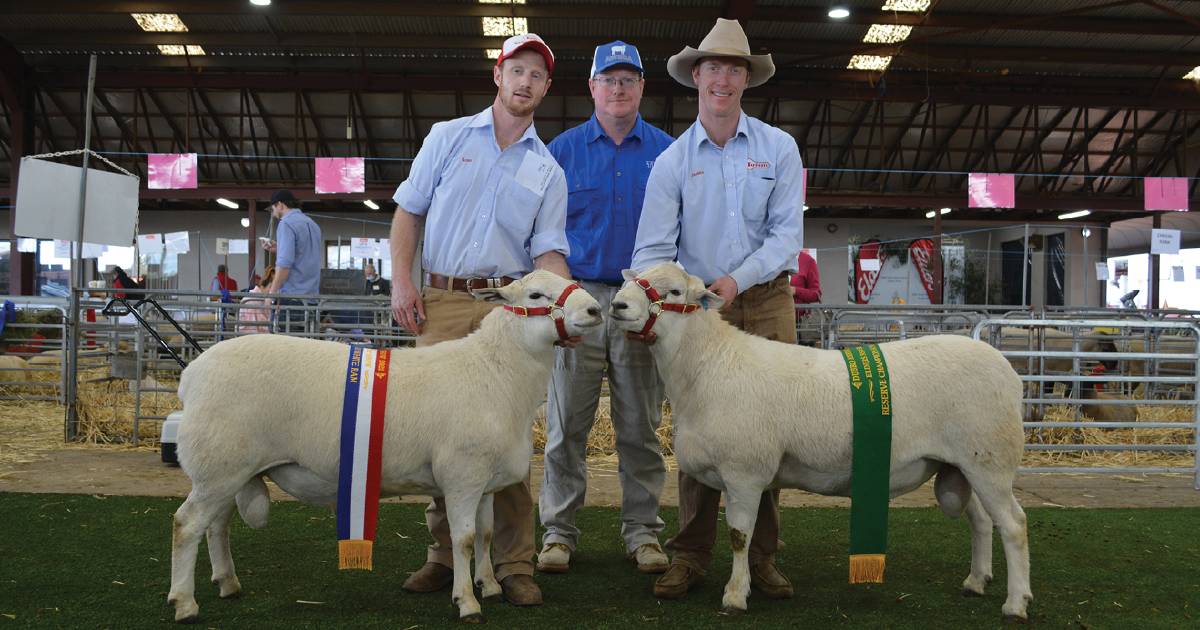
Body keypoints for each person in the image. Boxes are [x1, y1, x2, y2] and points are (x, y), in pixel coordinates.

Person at [388, 32, 571, 607]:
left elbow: (546, 254)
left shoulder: (547, 169)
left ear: (545, 87)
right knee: (439, 431)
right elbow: (408, 212)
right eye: (516, 69)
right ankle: (446, 555)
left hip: (509, 314)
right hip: (442, 299)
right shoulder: (447, 138)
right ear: (498, 75)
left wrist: (567, 302)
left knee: (508, 435)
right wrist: (402, 280)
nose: (525, 82)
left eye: (536, 75)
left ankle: (514, 562)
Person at [630, 18, 805, 601]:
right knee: (699, 430)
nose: (723, 79)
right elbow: (653, 248)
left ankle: (762, 555)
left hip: (767, 299)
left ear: (746, 80)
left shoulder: (779, 148)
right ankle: (691, 554)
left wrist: (736, 279)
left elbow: (786, 238)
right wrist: (678, 294)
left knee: (771, 428)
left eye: (735, 69)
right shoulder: (674, 161)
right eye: (713, 68)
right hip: (695, 313)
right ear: (696, 77)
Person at [536, 40, 675, 576]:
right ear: (591, 87)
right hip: (578, 296)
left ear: (642, 88)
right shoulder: (560, 152)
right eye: (608, 80)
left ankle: (643, 533)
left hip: (641, 298)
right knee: (565, 424)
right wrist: (560, 299)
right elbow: (542, 230)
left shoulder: (668, 152)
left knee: (639, 426)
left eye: (629, 80)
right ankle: (558, 533)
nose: (618, 89)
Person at [262, 189, 322, 333]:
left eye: (273, 208)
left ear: (280, 205)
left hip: (292, 300)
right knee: (307, 348)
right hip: (312, 299)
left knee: (287, 351)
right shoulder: (313, 224)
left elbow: (284, 265)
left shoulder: (286, 224)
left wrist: (271, 294)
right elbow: (305, 254)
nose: (273, 212)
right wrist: (280, 247)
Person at [791, 250, 822, 346]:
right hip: (774, 319)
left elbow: (816, 294)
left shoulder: (808, 261)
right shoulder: (773, 258)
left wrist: (795, 290)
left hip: (798, 323)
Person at [237, 267, 275, 334]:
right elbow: (261, 328)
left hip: (250, 336)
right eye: (270, 287)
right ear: (262, 286)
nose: (273, 292)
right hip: (253, 338)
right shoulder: (253, 301)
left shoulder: (255, 299)